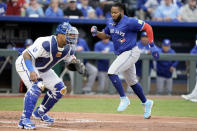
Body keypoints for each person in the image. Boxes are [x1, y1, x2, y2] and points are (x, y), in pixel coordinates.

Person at [91, 2, 160, 119]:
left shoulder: (130, 21)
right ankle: (146, 102)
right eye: (111, 12)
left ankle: (124, 98)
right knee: (132, 82)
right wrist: (96, 33)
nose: (113, 14)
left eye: (115, 12)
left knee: (112, 72)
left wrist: (151, 44)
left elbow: (148, 27)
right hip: (122, 54)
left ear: (122, 12)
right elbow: (107, 35)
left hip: (131, 51)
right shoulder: (110, 22)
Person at [15, 22, 86, 129]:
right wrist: (31, 71)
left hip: (44, 69)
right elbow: (26, 54)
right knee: (37, 87)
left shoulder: (68, 48)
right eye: (69, 34)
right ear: (60, 35)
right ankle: (24, 120)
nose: (71, 37)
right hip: (26, 63)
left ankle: (40, 111)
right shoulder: (45, 42)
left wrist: (76, 64)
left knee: (60, 89)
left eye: (72, 35)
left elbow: (70, 62)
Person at [181, 34, 197, 102]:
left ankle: (193, 95)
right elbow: (190, 58)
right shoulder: (195, 48)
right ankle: (193, 96)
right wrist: (188, 67)